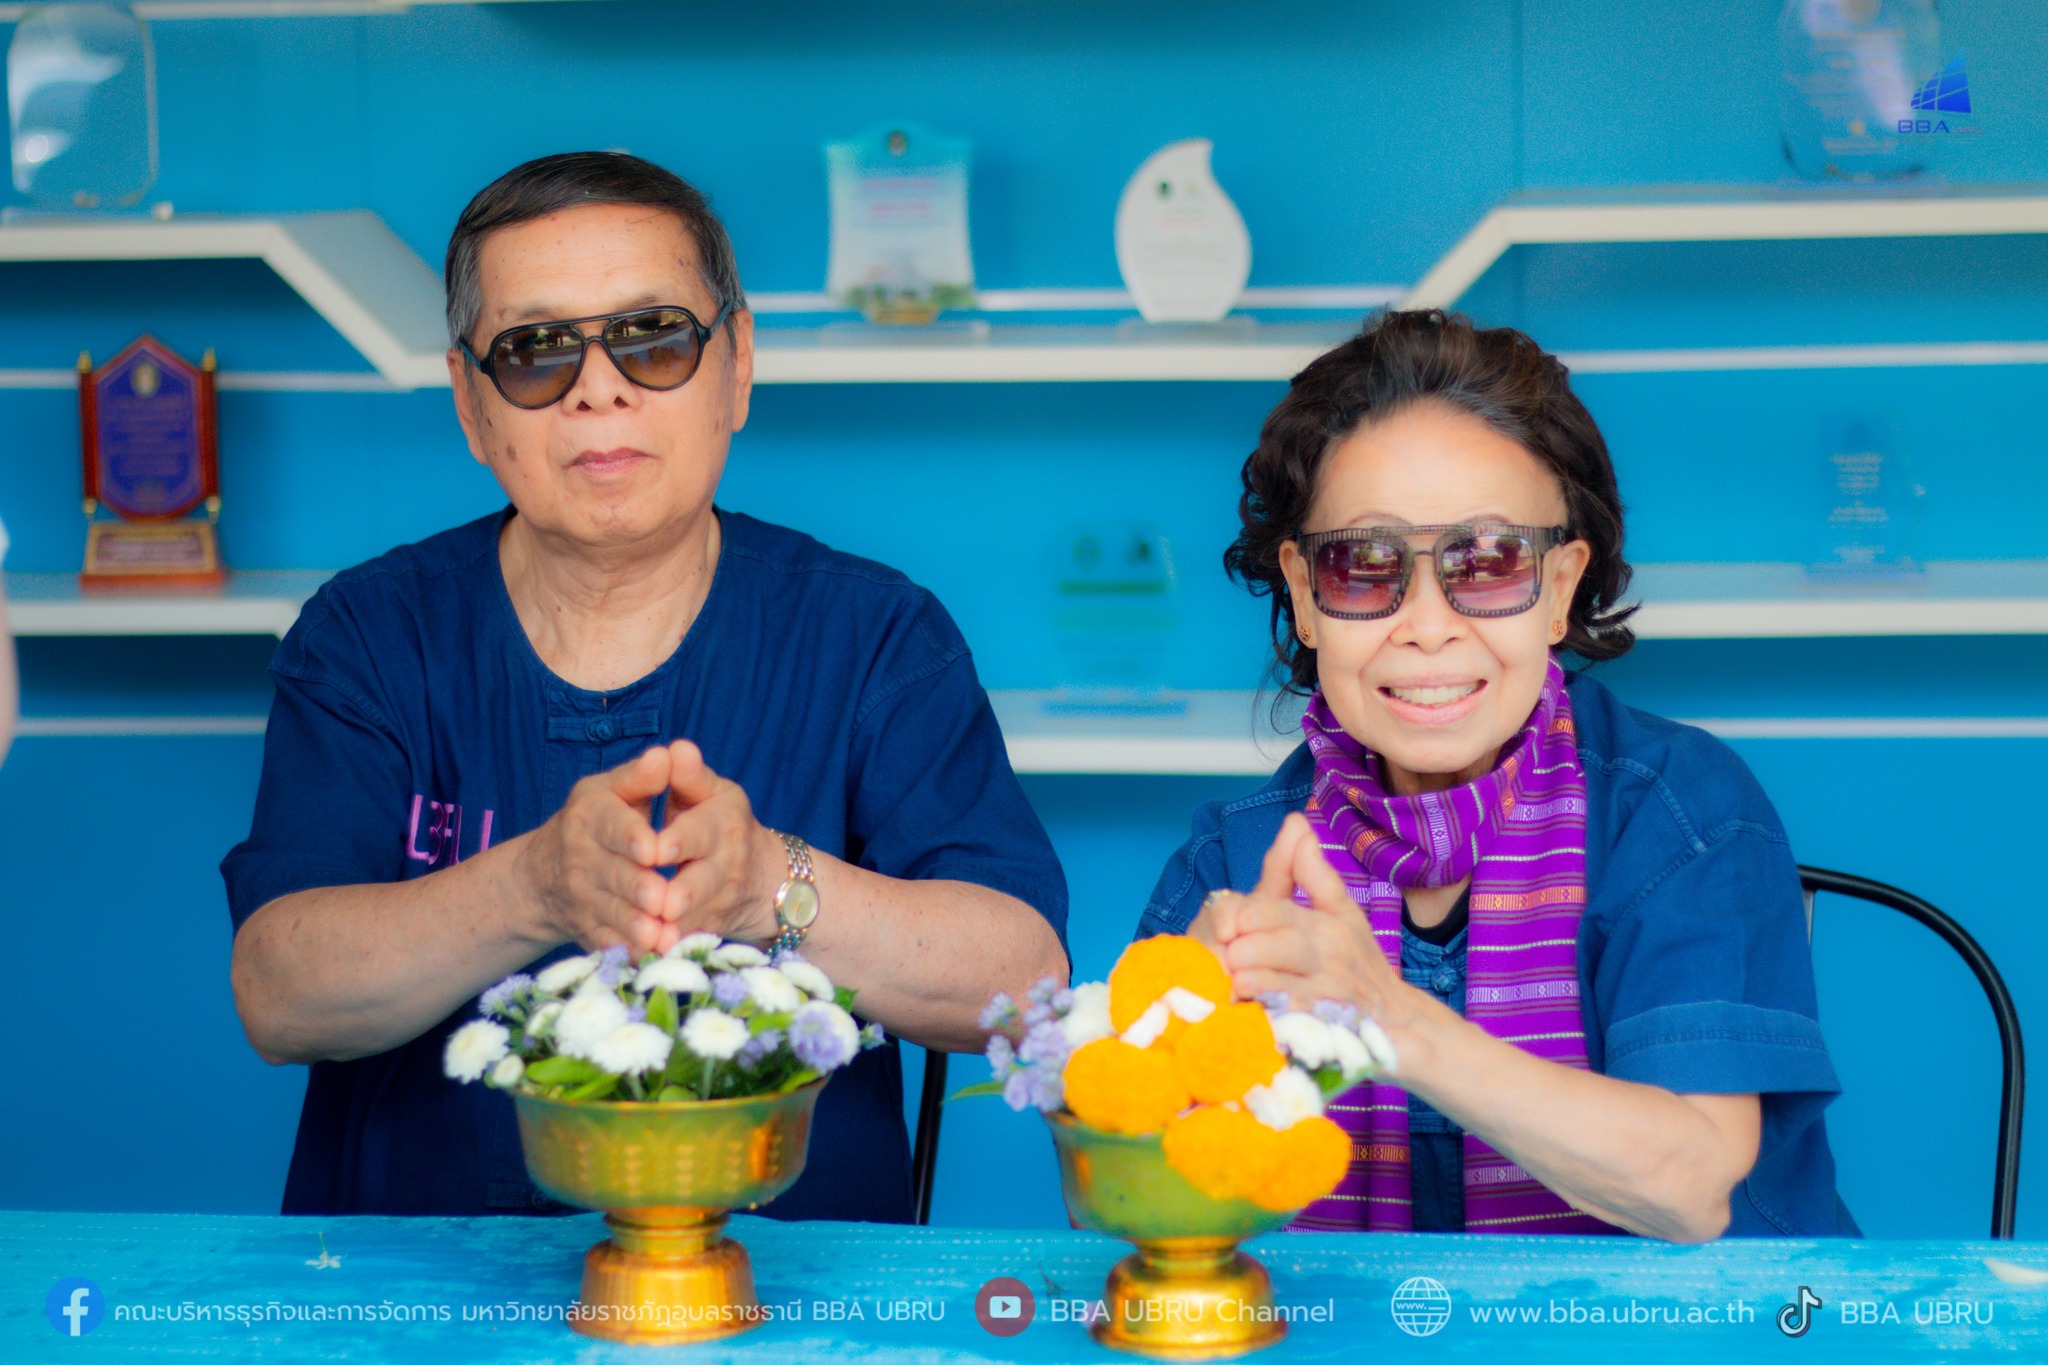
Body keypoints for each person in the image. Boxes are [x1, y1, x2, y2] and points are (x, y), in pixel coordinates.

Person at [222, 152, 1068, 1222]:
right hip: (417, 1287)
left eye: (652, 336)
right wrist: (532, 887)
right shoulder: (368, 638)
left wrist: (765, 886)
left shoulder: (875, 637)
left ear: (737, 364)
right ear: (471, 404)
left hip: (793, 1293)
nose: (598, 387)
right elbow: (280, 996)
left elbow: (1023, 983)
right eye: (534, 351)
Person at [1142, 310, 1855, 1241]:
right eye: (1364, 565)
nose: (1428, 625)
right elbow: (1129, 1207)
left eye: (1488, 560)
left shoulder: (1681, 813)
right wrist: (1177, 1062)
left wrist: (1389, 1019)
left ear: (1559, 587)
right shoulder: (1236, 858)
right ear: (1307, 596)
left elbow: (1687, 1183)